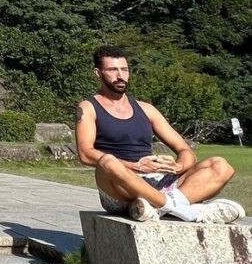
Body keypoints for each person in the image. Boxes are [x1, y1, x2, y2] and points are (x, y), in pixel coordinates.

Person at [76, 44, 244, 223]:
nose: (120, 76)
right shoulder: (88, 107)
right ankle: (184, 211)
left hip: (157, 182)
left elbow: (185, 151)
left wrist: (177, 167)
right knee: (108, 162)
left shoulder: (146, 109)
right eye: (112, 70)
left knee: (221, 166)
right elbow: (85, 154)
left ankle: (151, 207)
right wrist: (137, 167)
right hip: (118, 186)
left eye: (124, 70)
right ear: (98, 73)